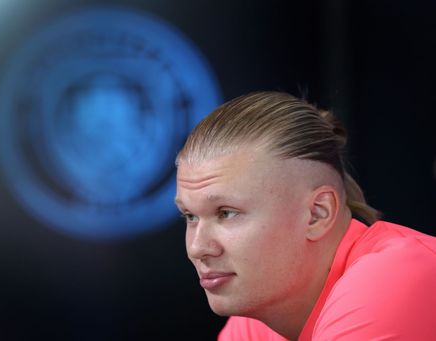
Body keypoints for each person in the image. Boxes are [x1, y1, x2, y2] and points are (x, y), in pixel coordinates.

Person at [174, 91, 436, 340]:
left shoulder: (388, 284)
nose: (197, 248)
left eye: (226, 213)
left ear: (317, 214)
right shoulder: (258, 316)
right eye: (190, 216)